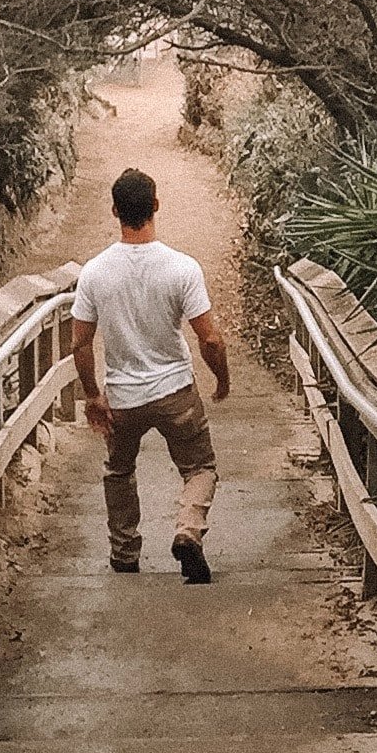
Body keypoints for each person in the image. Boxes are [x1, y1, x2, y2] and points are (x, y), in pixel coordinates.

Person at [69, 165, 230, 581]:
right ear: (156, 206)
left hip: (122, 396)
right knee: (200, 468)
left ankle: (124, 553)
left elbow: (79, 343)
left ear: (114, 211)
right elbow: (209, 339)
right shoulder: (182, 268)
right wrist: (222, 379)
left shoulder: (95, 272)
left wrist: (93, 395)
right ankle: (188, 531)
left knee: (119, 471)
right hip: (174, 390)